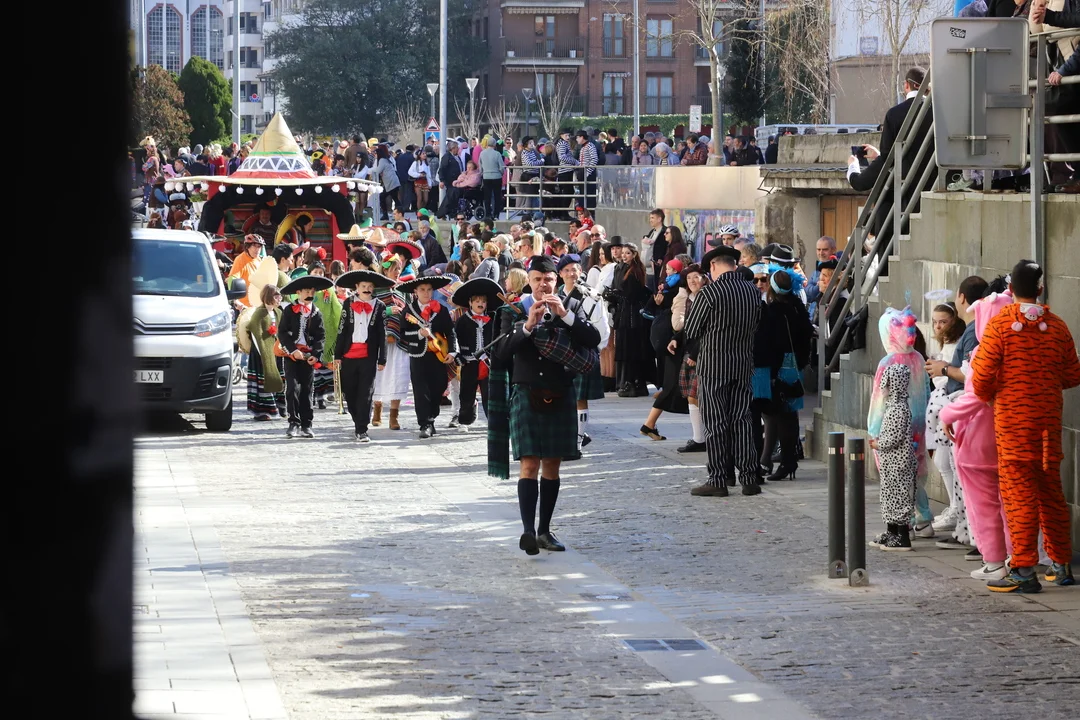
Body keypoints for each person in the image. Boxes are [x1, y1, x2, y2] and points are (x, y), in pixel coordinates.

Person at [970, 260, 1080, 592]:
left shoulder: (1001, 325)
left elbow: (981, 377)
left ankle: (1023, 568)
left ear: (1010, 289)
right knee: (1051, 493)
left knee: (1019, 495)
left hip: (1013, 425)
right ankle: (1061, 564)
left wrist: (994, 395)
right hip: (1048, 422)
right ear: (1041, 289)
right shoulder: (1057, 326)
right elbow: (1073, 374)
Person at [490, 255, 601, 555]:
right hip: (526, 392)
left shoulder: (572, 306)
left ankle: (544, 531)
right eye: (537, 279)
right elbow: (500, 352)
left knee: (552, 464)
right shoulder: (513, 310)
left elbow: (593, 338)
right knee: (529, 463)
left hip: (561, 391)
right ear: (529, 281)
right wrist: (527, 325)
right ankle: (528, 530)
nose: (543, 284)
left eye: (548, 279)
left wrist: (565, 315)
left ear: (556, 280)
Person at [940, 289, 1015, 583]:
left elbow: (977, 394)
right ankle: (1014, 557)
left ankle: (994, 560)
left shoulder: (987, 352)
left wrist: (948, 414)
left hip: (978, 440)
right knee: (1009, 503)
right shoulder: (1019, 350)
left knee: (984, 505)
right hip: (1007, 437)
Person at [684, 245, 763, 496]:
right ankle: (749, 478)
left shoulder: (710, 293)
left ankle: (718, 479)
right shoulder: (752, 291)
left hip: (713, 366)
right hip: (742, 364)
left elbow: (691, 330)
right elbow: (757, 324)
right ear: (734, 264)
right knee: (742, 420)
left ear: (713, 266)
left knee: (715, 422)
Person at [847, 67, 936, 272]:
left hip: (902, 199)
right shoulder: (937, 112)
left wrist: (853, 169)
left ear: (906, 85)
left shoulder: (895, 114)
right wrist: (880, 155)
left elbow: (889, 160)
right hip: (931, 190)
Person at [867, 307, 929, 551]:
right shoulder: (918, 358)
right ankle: (923, 517)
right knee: (915, 473)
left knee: (894, 481)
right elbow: (926, 390)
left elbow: (878, 399)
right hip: (918, 423)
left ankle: (903, 526)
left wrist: (874, 431)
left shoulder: (888, 363)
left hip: (891, 428)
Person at [755, 268, 814, 480]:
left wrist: (772, 372)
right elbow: (807, 335)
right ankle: (788, 460)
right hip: (795, 365)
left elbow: (773, 344)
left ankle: (787, 462)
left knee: (781, 416)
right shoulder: (797, 306)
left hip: (781, 366)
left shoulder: (773, 311)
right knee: (790, 415)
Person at [556, 253, 610, 457]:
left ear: (581, 271)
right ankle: (572, 435)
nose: (571, 274)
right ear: (560, 274)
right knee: (561, 398)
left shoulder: (591, 295)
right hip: (560, 352)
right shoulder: (556, 295)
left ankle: (577, 443)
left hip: (583, 351)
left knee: (580, 399)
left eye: (575, 269)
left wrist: (595, 350)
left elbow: (602, 326)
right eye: (567, 270)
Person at [332, 269, 391, 442]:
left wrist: (382, 358)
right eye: (363, 286)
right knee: (350, 392)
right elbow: (342, 330)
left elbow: (382, 334)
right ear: (356, 287)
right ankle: (358, 419)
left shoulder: (379, 306)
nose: (367, 289)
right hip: (348, 356)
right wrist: (337, 355)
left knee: (366, 392)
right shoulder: (348, 303)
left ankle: (362, 428)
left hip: (368, 356)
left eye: (370, 286)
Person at [397, 275, 459, 438]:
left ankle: (431, 417)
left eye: (429, 289)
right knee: (421, 390)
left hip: (438, 356)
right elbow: (403, 334)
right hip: (418, 355)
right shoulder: (409, 310)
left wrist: (452, 351)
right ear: (416, 291)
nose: (426, 293)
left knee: (439, 386)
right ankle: (425, 423)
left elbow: (450, 331)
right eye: (422, 289)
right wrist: (419, 334)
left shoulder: (441, 309)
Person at [277, 275, 333, 439]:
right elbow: (282, 333)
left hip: (308, 356)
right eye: (307, 291)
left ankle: (306, 424)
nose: (310, 294)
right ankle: (293, 422)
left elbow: (321, 336)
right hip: (292, 355)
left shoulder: (316, 313)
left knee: (307, 390)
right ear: (298, 292)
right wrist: (293, 350)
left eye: (312, 291)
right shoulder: (289, 310)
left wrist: (316, 354)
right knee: (292, 388)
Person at [451, 277, 502, 431]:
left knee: (489, 393)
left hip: (486, 362)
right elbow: (455, 338)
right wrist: (458, 355)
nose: (481, 304)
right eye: (477, 301)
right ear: (470, 302)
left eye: (483, 301)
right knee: (467, 392)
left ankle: (492, 421)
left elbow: (497, 339)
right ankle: (464, 421)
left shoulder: (492, 320)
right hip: (469, 361)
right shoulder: (462, 321)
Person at [673, 265, 709, 453]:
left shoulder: (707, 298)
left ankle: (704, 438)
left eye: (696, 277)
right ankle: (699, 438)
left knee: (698, 396)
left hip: (703, 353)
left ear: (704, 278)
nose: (692, 281)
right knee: (691, 396)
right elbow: (689, 327)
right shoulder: (690, 299)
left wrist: (695, 354)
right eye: (689, 278)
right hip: (690, 352)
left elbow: (707, 330)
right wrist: (676, 339)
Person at [245, 284, 287, 421]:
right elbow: (255, 334)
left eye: (280, 296)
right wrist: (264, 353)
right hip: (261, 352)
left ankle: (280, 407)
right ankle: (262, 411)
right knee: (263, 379)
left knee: (279, 377)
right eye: (276, 296)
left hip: (276, 351)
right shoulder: (259, 313)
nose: (279, 299)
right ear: (268, 296)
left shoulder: (278, 312)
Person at [311, 266, 343, 409]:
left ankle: (322, 396)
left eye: (321, 272)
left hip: (327, 332)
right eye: (315, 272)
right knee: (315, 366)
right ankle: (315, 396)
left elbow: (336, 307)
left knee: (325, 365)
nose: (318, 274)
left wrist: (342, 322)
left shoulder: (329, 289)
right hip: (312, 333)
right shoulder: (308, 289)